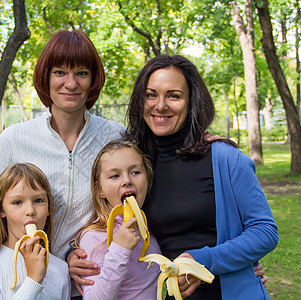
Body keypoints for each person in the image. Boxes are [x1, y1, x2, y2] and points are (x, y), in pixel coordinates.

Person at [69, 55, 277, 299]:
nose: (160, 105)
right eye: (151, 94)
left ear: (191, 101)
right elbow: (104, 220)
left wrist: (203, 260)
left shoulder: (224, 158)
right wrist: (74, 255)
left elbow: (265, 231)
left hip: (225, 291)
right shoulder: (135, 162)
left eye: (174, 95)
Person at [73, 140, 161, 299]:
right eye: (114, 176)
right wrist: (120, 249)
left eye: (135, 172)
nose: (127, 180)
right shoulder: (94, 237)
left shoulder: (150, 229)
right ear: (100, 189)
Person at [0, 163, 70, 299]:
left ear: (49, 209)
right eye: (17, 202)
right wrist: (33, 280)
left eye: (38, 200)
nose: (30, 211)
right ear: (1, 210)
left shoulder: (60, 269)